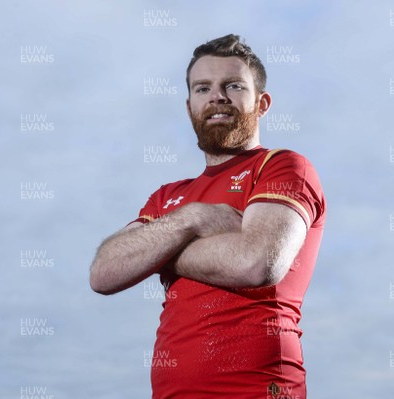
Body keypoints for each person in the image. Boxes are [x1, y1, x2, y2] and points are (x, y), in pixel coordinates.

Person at [90, 34, 326, 399]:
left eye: (233, 85)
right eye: (203, 88)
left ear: (262, 103)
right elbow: (104, 271)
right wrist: (193, 219)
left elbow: (256, 262)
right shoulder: (168, 198)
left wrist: (158, 254)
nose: (217, 96)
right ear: (190, 107)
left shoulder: (281, 166)